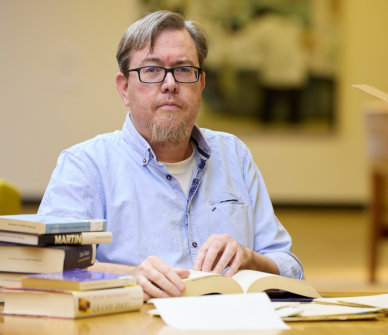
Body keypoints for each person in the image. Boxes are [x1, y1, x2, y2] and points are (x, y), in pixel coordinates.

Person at [38, 10, 303, 300]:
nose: (170, 84)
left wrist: (251, 259)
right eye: (152, 70)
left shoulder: (234, 155)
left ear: (200, 85)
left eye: (183, 69)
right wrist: (130, 276)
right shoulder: (85, 166)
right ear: (124, 88)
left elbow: (289, 266)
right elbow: (48, 266)